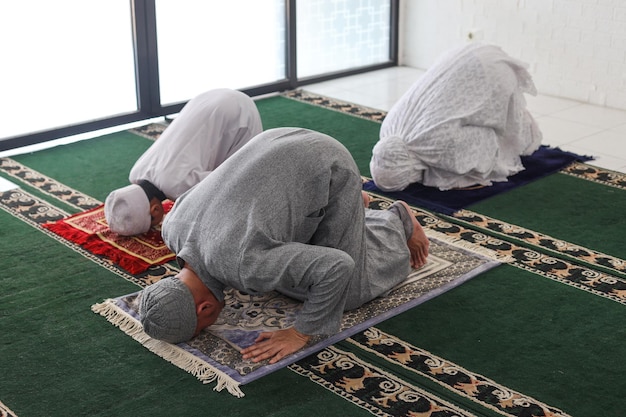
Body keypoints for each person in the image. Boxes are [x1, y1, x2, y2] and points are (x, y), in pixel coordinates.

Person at [139, 127, 430, 364]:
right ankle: (351, 208)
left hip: (328, 162)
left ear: (204, 309)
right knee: (280, 272)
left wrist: (300, 333)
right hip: (276, 139)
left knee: (348, 290)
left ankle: (395, 220)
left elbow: (337, 266)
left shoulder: (244, 265)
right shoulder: (171, 227)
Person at [370, 42, 543, 192]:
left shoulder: (440, 147)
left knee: (507, 124)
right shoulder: (387, 130)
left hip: (489, 71)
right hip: (463, 58)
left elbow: (486, 141)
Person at [104, 88, 263, 236]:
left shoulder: (179, 187)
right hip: (207, 99)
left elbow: (225, 185)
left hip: (240, 113)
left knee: (246, 180)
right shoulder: (137, 172)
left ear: (155, 210)